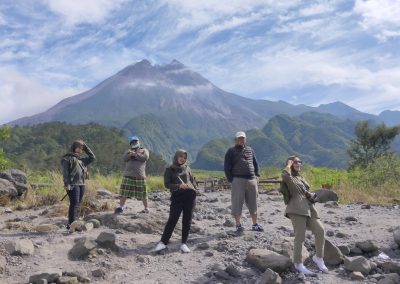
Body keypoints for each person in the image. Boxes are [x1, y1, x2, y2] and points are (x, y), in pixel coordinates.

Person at [281, 156, 328, 275]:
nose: (298, 164)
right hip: (296, 209)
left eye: (299, 162)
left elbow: (304, 191)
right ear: (290, 164)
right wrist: (288, 164)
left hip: (309, 208)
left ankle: (318, 258)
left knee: (320, 230)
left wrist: (310, 195)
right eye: (295, 162)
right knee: (300, 237)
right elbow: (285, 175)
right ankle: (298, 263)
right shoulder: (289, 176)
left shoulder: (300, 177)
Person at [155, 149, 197, 253]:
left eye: (184, 157)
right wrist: (179, 186)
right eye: (181, 156)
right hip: (177, 196)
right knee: (172, 219)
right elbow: (167, 184)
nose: (182, 159)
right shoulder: (169, 169)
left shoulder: (188, 168)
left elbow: (192, 180)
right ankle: (163, 242)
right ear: (176, 156)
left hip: (190, 196)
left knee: (187, 220)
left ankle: (184, 243)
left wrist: (195, 189)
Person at [224, 131, 263, 233]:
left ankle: (255, 224)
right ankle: (238, 225)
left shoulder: (250, 150)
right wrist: (231, 180)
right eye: (239, 138)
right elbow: (227, 167)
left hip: (251, 179)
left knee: (253, 202)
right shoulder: (231, 151)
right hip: (238, 179)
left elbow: (255, 163)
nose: (241, 140)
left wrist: (257, 175)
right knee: (237, 203)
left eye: (243, 138)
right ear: (236, 140)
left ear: (245, 139)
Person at [61, 140, 95, 229]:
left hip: (81, 184)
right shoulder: (67, 158)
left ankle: (72, 224)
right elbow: (65, 172)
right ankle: (71, 224)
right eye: (79, 147)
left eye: (82, 148)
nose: (81, 149)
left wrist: (86, 147)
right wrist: (66, 183)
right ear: (74, 147)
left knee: (77, 204)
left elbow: (92, 157)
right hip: (73, 184)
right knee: (74, 203)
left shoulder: (81, 160)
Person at [115, 135, 150, 214]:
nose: (134, 143)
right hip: (128, 175)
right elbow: (124, 158)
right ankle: (121, 207)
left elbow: (145, 158)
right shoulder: (128, 151)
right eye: (133, 142)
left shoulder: (144, 150)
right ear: (130, 144)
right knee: (124, 192)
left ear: (139, 142)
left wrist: (136, 155)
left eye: (136, 142)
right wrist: (130, 155)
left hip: (140, 175)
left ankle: (146, 208)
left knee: (143, 193)